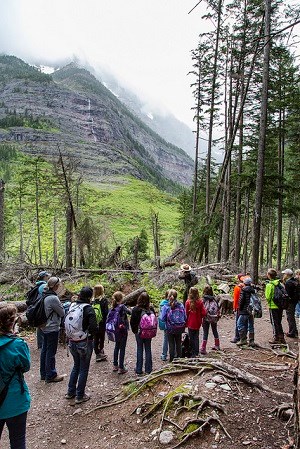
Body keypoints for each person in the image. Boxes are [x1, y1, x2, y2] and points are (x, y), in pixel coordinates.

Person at [0, 304, 31, 449]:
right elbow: (25, 366)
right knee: (18, 440)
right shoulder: (17, 344)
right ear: (12, 323)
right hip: (14, 399)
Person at [65, 287, 97, 404]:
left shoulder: (72, 306)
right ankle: (80, 395)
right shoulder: (88, 308)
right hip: (84, 342)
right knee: (84, 368)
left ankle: (70, 392)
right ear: (89, 297)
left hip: (72, 341)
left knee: (76, 366)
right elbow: (94, 327)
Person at [40, 276, 65, 383]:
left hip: (44, 326)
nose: (59, 286)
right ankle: (51, 375)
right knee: (51, 351)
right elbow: (62, 312)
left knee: (45, 349)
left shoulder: (44, 294)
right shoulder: (53, 298)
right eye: (58, 285)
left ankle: (43, 373)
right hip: (52, 327)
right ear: (55, 286)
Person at [130, 292, 156, 375]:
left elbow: (132, 322)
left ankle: (139, 369)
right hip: (149, 332)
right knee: (148, 348)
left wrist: (134, 331)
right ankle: (148, 369)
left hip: (139, 332)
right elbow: (154, 321)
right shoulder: (151, 309)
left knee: (140, 348)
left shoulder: (135, 309)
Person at [160, 289, 186, 362]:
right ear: (176, 296)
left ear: (168, 296)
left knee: (171, 344)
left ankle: (172, 360)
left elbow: (162, 318)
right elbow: (185, 317)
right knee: (178, 343)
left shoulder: (166, 306)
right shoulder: (181, 305)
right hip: (180, 327)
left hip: (170, 328)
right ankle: (179, 359)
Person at [110, 291, 131, 374]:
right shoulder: (122, 306)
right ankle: (121, 367)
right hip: (123, 330)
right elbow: (130, 312)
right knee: (122, 348)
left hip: (115, 330)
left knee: (116, 347)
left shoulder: (113, 307)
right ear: (121, 299)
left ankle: (115, 365)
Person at [265, 268, 286, 345]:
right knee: (279, 322)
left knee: (274, 322)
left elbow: (267, 297)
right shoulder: (280, 283)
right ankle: (281, 337)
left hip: (273, 306)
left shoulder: (269, 285)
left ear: (269, 275)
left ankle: (276, 338)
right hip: (280, 305)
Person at [185, 287, 206, 356]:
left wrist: (185, 322)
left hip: (190, 323)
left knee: (191, 337)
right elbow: (204, 313)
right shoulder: (200, 302)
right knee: (196, 337)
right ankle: (196, 352)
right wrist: (200, 316)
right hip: (197, 323)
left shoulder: (187, 302)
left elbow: (186, 314)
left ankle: (192, 352)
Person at [236, 277, 256, 346]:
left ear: (244, 283)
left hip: (244, 310)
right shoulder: (253, 290)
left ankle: (243, 339)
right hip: (252, 310)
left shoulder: (243, 290)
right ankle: (251, 341)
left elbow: (241, 301)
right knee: (251, 325)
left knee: (239, 324)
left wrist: (240, 309)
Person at [201, 285, 220, 353]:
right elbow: (218, 307)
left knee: (205, 332)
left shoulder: (203, 300)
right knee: (215, 330)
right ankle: (217, 345)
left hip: (206, 317)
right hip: (214, 317)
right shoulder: (214, 299)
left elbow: (202, 309)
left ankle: (203, 348)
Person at [92, 284, 109, 362]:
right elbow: (106, 312)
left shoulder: (92, 300)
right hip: (102, 322)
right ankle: (101, 351)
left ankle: (97, 353)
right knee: (101, 337)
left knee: (95, 338)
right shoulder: (104, 300)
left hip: (94, 322)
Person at [35, 271, 51, 350]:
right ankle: (42, 345)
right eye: (47, 276)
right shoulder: (44, 285)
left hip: (37, 307)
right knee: (43, 324)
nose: (49, 278)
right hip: (42, 307)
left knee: (39, 325)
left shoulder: (37, 284)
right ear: (44, 277)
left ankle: (40, 344)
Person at [282, 268, 299, 338]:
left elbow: (287, 294)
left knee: (290, 317)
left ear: (287, 275)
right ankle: (294, 331)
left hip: (290, 302)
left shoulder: (288, 283)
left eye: (284, 274)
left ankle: (292, 332)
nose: (284, 275)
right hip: (294, 301)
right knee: (291, 317)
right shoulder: (294, 281)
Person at [230, 273, 247, 343]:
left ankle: (237, 337)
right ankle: (244, 337)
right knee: (245, 323)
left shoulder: (237, 287)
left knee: (238, 322)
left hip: (239, 307)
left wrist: (234, 307)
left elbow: (236, 299)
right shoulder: (247, 286)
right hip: (247, 307)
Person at [158, 291, 169, 361]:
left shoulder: (162, 304)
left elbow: (161, 316)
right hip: (174, 324)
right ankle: (175, 354)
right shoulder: (174, 303)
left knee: (166, 339)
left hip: (165, 324)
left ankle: (164, 355)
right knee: (174, 340)